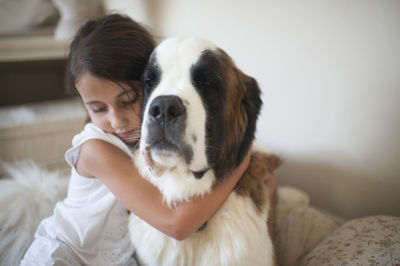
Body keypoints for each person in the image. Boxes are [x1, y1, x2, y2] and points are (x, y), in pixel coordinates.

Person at [20, 14, 266, 266]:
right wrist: (243, 161)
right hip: (68, 257)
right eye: (98, 109)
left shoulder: (138, 137)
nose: (117, 121)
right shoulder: (95, 150)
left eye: (127, 101)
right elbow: (177, 224)